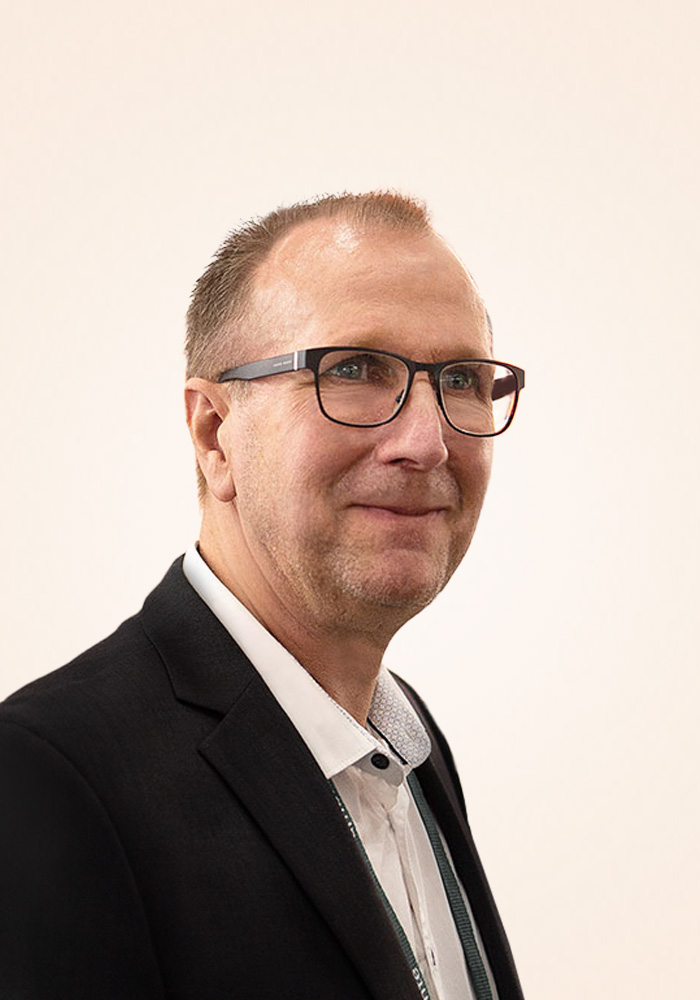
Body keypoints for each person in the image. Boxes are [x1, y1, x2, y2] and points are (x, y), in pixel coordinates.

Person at [0, 192, 526, 1000]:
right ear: (214, 434)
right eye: (354, 370)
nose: (427, 443)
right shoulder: (45, 779)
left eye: (460, 379)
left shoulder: (410, 747)